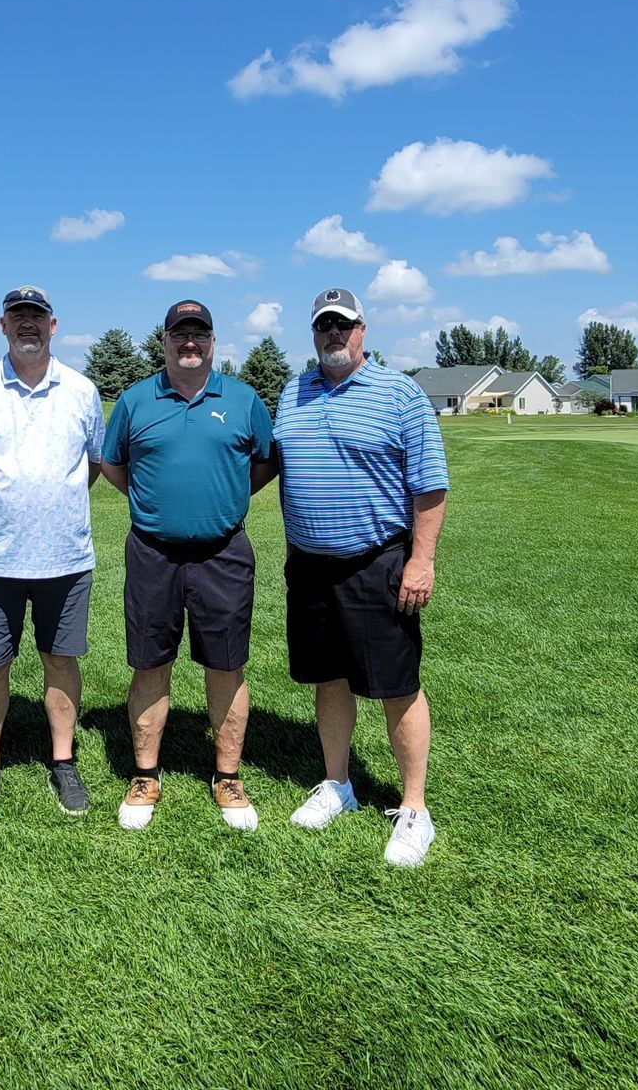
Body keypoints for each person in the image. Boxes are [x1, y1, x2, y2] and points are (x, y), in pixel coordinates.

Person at [269, 287, 448, 867]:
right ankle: (337, 784)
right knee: (329, 678)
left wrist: (420, 561)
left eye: (343, 325)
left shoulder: (400, 394)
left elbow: (431, 485)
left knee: (396, 685)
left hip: (378, 563)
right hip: (310, 564)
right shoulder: (293, 391)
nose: (333, 335)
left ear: (363, 330)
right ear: (313, 332)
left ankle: (415, 809)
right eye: (323, 325)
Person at [98, 300, 275, 831]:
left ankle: (227, 776)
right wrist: (155, 505)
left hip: (224, 553)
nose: (189, 342)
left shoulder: (244, 400)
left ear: (214, 341)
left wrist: (223, 500)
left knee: (226, 663)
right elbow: (113, 462)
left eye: (199, 333)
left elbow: (266, 461)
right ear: (165, 341)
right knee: (150, 662)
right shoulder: (135, 401)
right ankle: (146, 773)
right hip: (153, 553)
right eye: (180, 334)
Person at [0, 286, 105, 822]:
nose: (27, 325)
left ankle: (63, 760)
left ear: (53, 326)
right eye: (18, 317)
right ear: (2, 325)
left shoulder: (82, 390)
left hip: (65, 558)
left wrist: (50, 506)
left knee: (61, 659)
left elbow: (95, 465)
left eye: (36, 317)